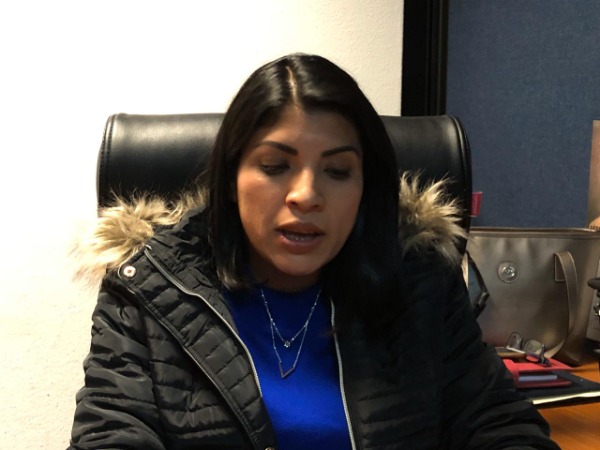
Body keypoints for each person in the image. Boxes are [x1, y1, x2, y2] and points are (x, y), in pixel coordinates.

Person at [68, 53, 559, 449]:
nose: (306, 195)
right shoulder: (148, 289)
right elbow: (111, 435)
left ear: (366, 186)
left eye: (338, 171)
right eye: (275, 166)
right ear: (231, 178)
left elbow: (501, 424)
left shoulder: (421, 283)